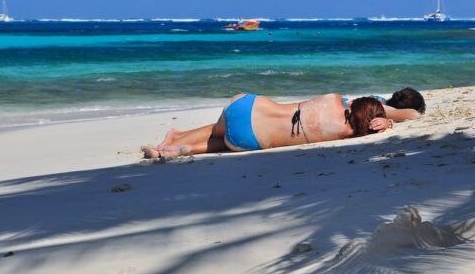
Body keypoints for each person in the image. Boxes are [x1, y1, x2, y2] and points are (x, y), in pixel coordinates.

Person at [142, 93, 386, 159]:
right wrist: (387, 123)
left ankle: (174, 138)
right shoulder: (346, 134)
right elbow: (403, 112)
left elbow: (371, 101)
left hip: (249, 107)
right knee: (227, 140)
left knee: (218, 128)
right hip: (248, 142)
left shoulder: (334, 98)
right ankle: (184, 149)